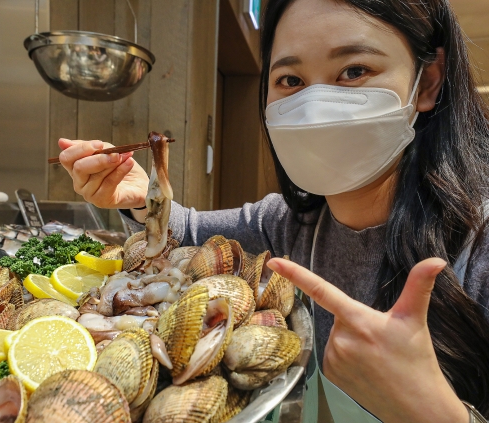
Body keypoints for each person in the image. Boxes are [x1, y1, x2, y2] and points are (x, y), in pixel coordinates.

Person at [57, 0, 489, 421]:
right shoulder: (287, 223)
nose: (317, 107)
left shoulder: (480, 247)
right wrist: (137, 196)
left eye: (354, 71)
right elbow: (188, 230)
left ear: (428, 81)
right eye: (291, 80)